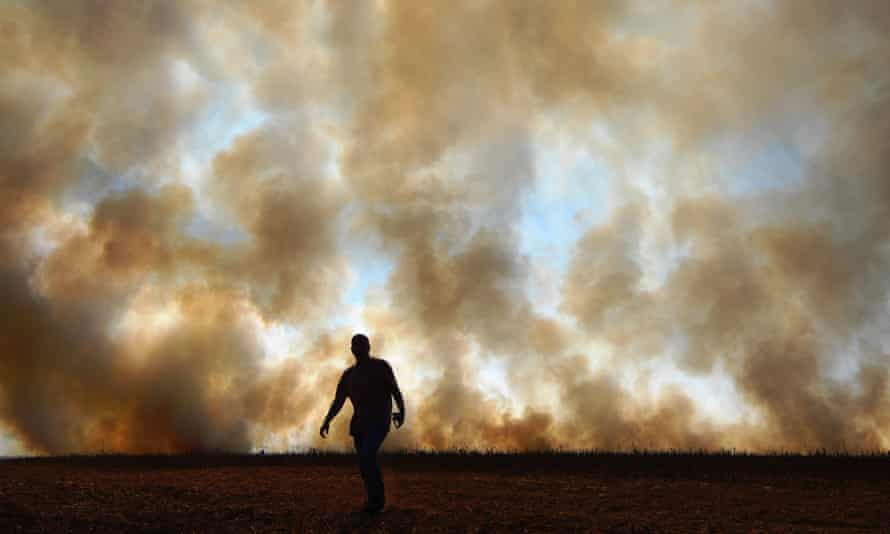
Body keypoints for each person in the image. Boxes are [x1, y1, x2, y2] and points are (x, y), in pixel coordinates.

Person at [320, 333, 405, 514]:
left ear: (368, 347)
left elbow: (395, 391)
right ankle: (373, 499)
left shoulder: (381, 367)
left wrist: (401, 412)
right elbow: (338, 401)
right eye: (356, 345)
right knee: (364, 462)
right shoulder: (349, 375)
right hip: (360, 425)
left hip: (379, 421)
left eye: (362, 345)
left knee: (367, 455)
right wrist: (327, 420)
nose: (359, 348)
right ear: (352, 349)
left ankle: (378, 501)